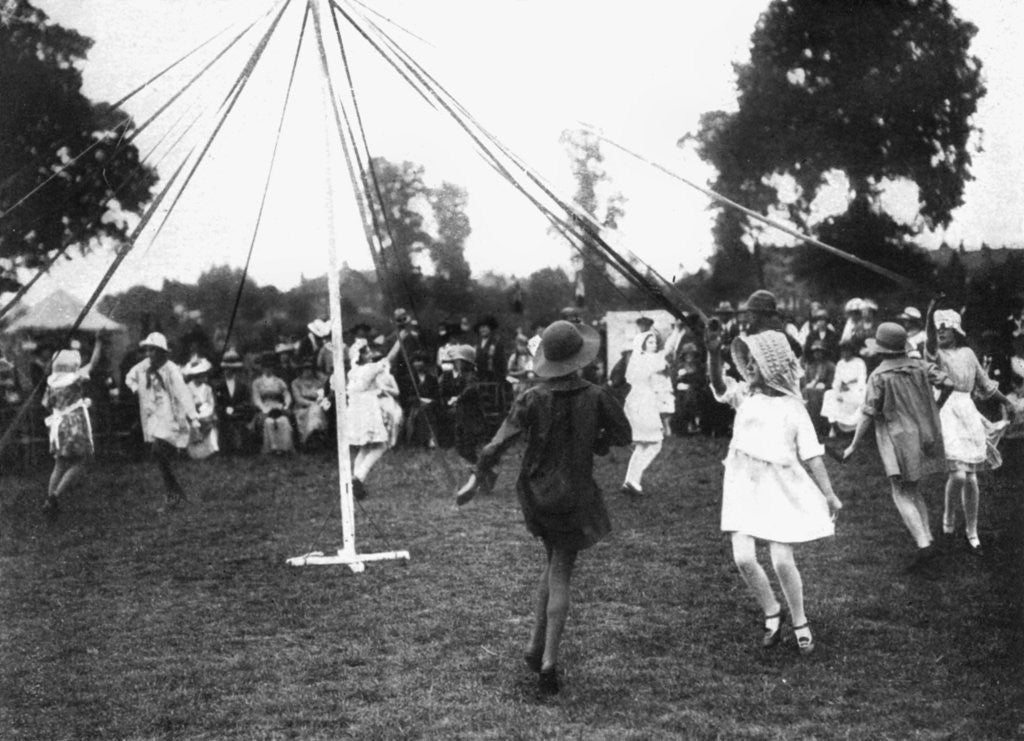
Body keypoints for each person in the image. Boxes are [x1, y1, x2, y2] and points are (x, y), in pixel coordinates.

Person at [454, 320, 632, 696]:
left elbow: (494, 446)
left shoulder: (532, 397)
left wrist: (477, 477)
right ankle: (549, 661)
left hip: (537, 492)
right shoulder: (597, 395)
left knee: (553, 564)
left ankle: (535, 646)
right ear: (580, 358)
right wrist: (595, 441)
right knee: (562, 570)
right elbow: (622, 435)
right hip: (575, 492)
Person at [706, 327, 842, 654]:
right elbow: (720, 385)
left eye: (755, 362)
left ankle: (799, 619)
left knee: (781, 560)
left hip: (780, 485)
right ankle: (771, 610)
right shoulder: (745, 395)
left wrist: (829, 493)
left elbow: (811, 452)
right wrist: (713, 353)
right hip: (742, 481)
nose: (749, 367)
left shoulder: (794, 407)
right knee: (743, 557)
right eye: (747, 362)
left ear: (772, 365)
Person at [843, 323, 953, 569]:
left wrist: (853, 445)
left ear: (881, 350)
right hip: (923, 434)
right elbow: (949, 384)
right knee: (913, 488)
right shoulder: (920, 366)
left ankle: (923, 545)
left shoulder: (879, 376)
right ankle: (929, 538)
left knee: (900, 491)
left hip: (895, 437)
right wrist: (936, 406)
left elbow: (868, 414)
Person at [927, 308, 1014, 555]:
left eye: (946, 328)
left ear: (956, 330)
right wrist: (931, 311)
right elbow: (930, 345)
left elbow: (985, 384)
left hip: (968, 412)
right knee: (958, 475)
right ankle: (948, 519)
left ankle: (972, 532)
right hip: (946, 411)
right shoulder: (936, 355)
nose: (941, 332)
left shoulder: (967, 353)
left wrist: (1006, 402)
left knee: (972, 477)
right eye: (938, 328)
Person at [124, 332, 201, 510]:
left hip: (170, 412)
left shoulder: (171, 369)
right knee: (158, 453)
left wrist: (194, 417)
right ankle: (174, 490)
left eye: (153, 350)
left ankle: (173, 492)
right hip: (152, 413)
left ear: (161, 352)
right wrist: (137, 389)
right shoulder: (143, 366)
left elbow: (183, 393)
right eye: (147, 350)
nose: (149, 354)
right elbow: (129, 377)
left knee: (158, 450)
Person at [40, 337, 103, 517]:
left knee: (59, 464)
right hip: (74, 423)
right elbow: (93, 363)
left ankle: (49, 501)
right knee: (82, 460)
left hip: (57, 426)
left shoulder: (51, 384)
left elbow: (47, 404)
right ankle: (55, 497)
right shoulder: (75, 379)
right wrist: (98, 342)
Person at [346, 337, 402, 500]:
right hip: (368, 409)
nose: (370, 353)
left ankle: (354, 482)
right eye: (366, 351)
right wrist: (400, 339)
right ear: (360, 356)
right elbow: (389, 358)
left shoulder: (353, 370)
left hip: (356, 410)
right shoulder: (369, 368)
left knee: (365, 447)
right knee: (381, 446)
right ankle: (358, 478)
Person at [621, 329, 668, 494]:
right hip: (642, 402)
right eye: (650, 342)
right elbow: (664, 357)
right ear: (642, 344)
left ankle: (630, 480)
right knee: (656, 443)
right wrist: (676, 332)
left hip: (637, 401)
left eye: (655, 342)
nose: (654, 345)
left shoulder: (638, 358)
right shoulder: (646, 358)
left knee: (642, 445)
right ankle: (634, 479)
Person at [438, 344, 490, 466]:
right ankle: (473, 466)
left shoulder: (471, 376)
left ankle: (477, 468)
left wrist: (458, 398)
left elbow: (471, 389)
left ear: (466, 362)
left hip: (470, 416)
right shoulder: (461, 376)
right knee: (460, 442)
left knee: (468, 444)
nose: (457, 363)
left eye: (459, 361)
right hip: (462, 415)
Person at [820, 340, 867, 437]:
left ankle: (855, 429)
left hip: (856, 389)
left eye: (847, 351)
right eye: (842, 351)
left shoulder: (859, 362)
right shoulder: (840, 363)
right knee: (829, 394)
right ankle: (833, 427)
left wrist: (851, 388)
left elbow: (862, 380)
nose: (844, 353)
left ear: (852, 351)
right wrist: (838, 392)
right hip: (842, 389)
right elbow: (837, 380)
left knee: (860, 397)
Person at [252, 355, 294, 455]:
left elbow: (287, 394)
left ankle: (284, 447)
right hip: (265, 406)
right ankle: (271, 447)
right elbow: (256, 398)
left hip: (278, 405)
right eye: (266, 367)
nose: (268, 369)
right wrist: (263, 408)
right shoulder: (257, 382)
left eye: (270, 366)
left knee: (283, 421)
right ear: (262, 368)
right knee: (269, 422)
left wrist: (286, 405)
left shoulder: (279, 381)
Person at [214, 348, 254, 455]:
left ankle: (242, 448)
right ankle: (227, 449)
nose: (228, 371)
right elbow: (217, 403)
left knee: (241, 425)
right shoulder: (219, 386)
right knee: (225, 425)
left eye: (230, 369)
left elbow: (247, 401)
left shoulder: (242, 385)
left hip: (239, 413)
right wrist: (226, 410)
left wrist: (236, 409)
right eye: (226, 368)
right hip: (225, 415)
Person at [182, 356, 219, 460]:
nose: (204, 377)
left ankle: (212, 450)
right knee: (194, 426)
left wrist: (208, 412)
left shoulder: (207, 388)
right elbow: (185, 404)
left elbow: (211, 403)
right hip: (192, 414)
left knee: (212, 426)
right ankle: (195, 453)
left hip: (206, 413)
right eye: (201, 375)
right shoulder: (187, 388)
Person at [291, 360, 328, 449]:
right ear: (301, 370)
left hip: (317, 406)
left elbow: (321, 396)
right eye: (305, 369)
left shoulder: (318, 383)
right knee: (314, 410)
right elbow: (298, 399)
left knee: (316, 411)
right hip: (302, 408)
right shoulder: (296, 383)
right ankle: (307, 439)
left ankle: (316, 436)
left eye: (310, 369)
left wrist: (318, 403)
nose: (308, 372)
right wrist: (312, 404)